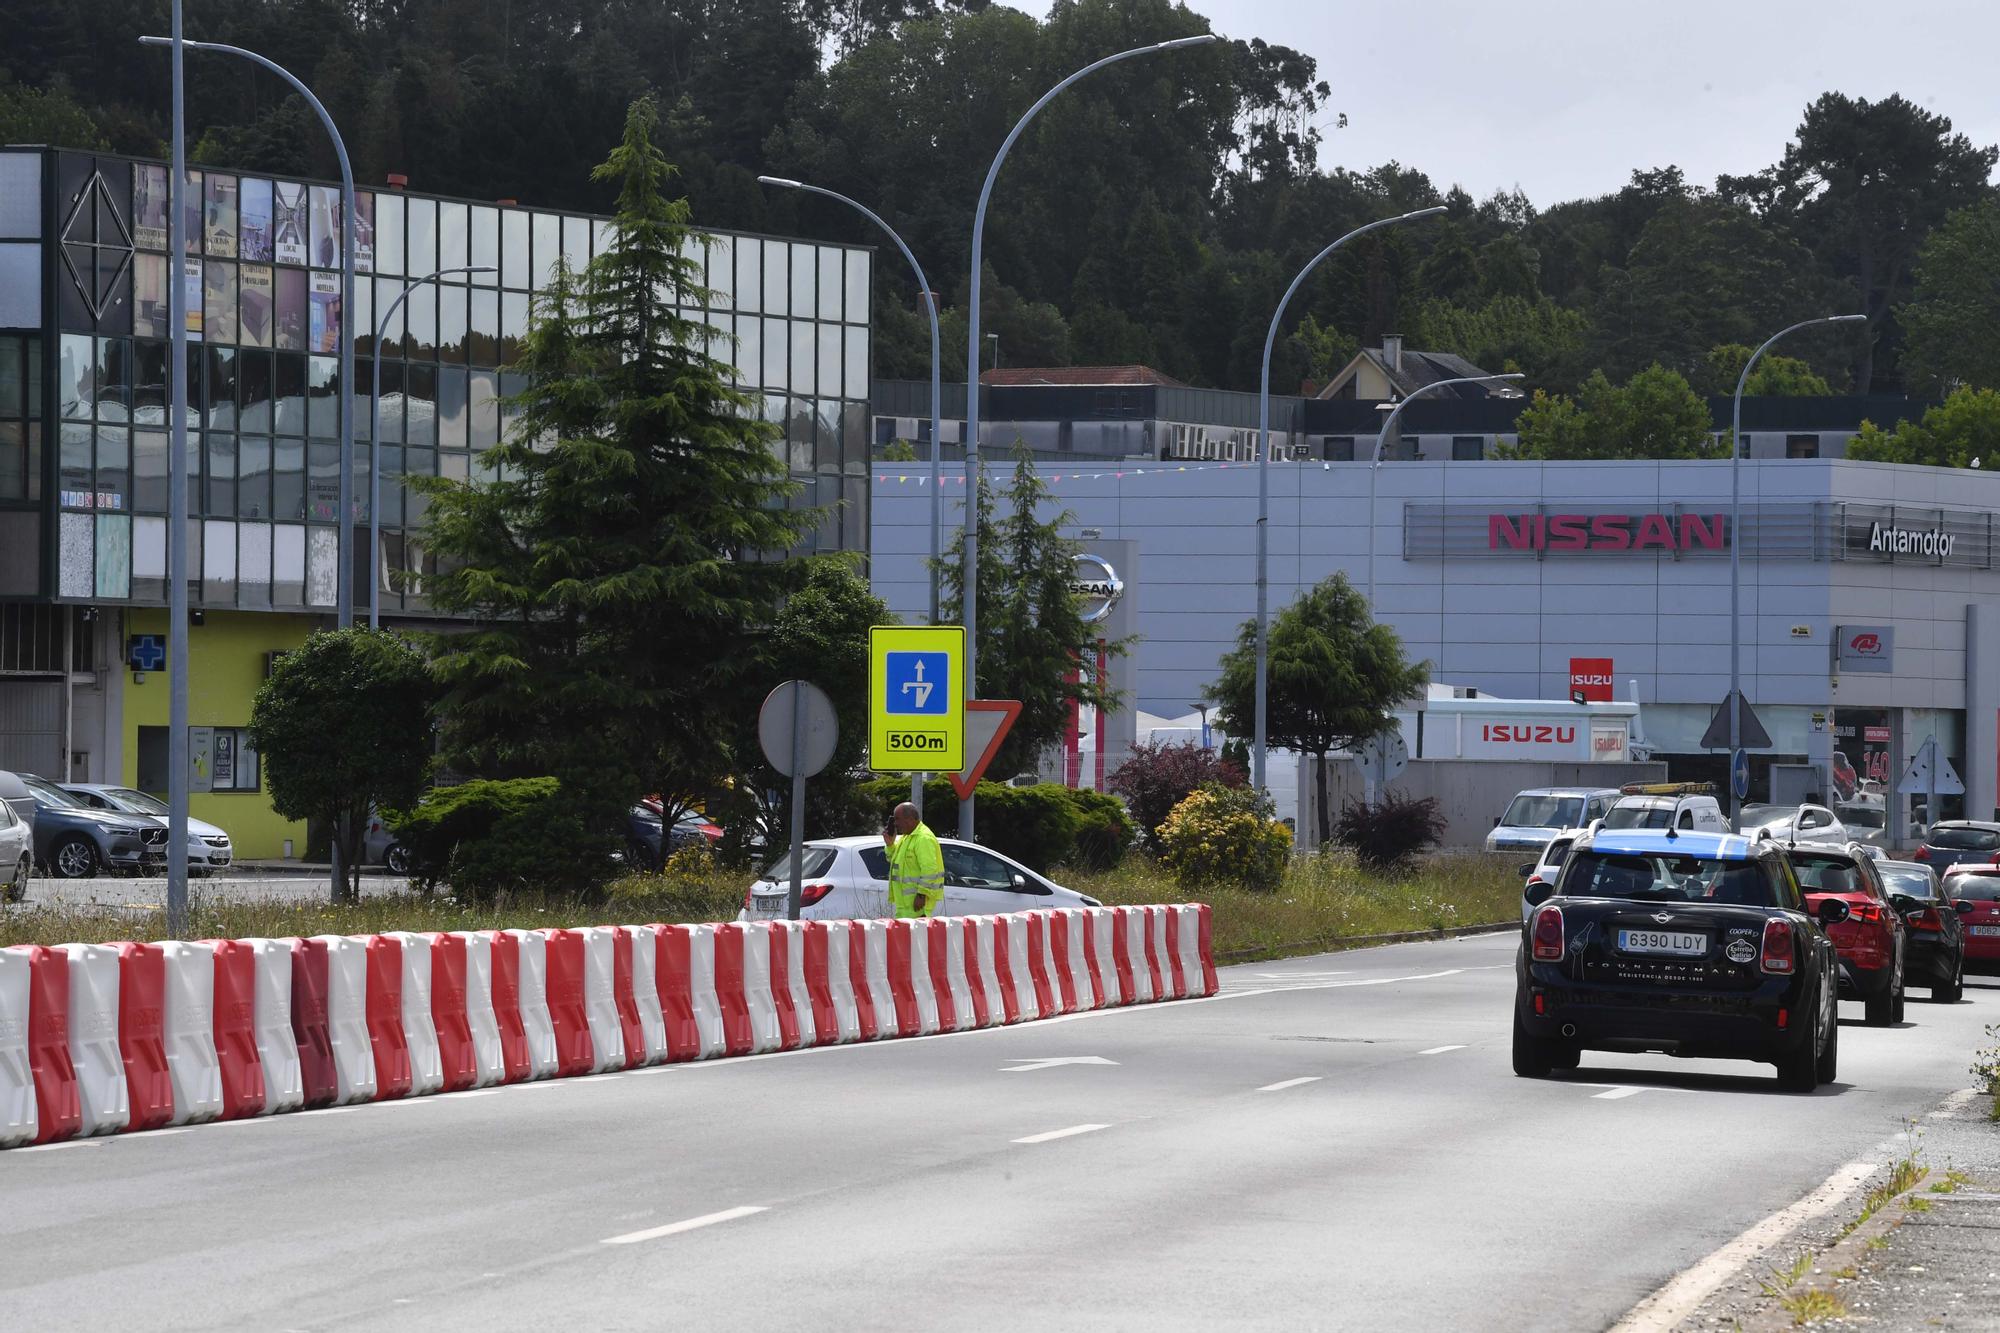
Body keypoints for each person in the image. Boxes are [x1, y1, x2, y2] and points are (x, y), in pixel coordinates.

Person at [886, 801, 945, 919]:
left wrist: (922, 894)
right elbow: (892, 860)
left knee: (916, 937)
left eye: (898, 819)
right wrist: (890, 844)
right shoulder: (907, 837)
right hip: (905, 905)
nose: (895, 824)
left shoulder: (923, 838)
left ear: (910, 819)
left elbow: (929, 869)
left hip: (917, 905)